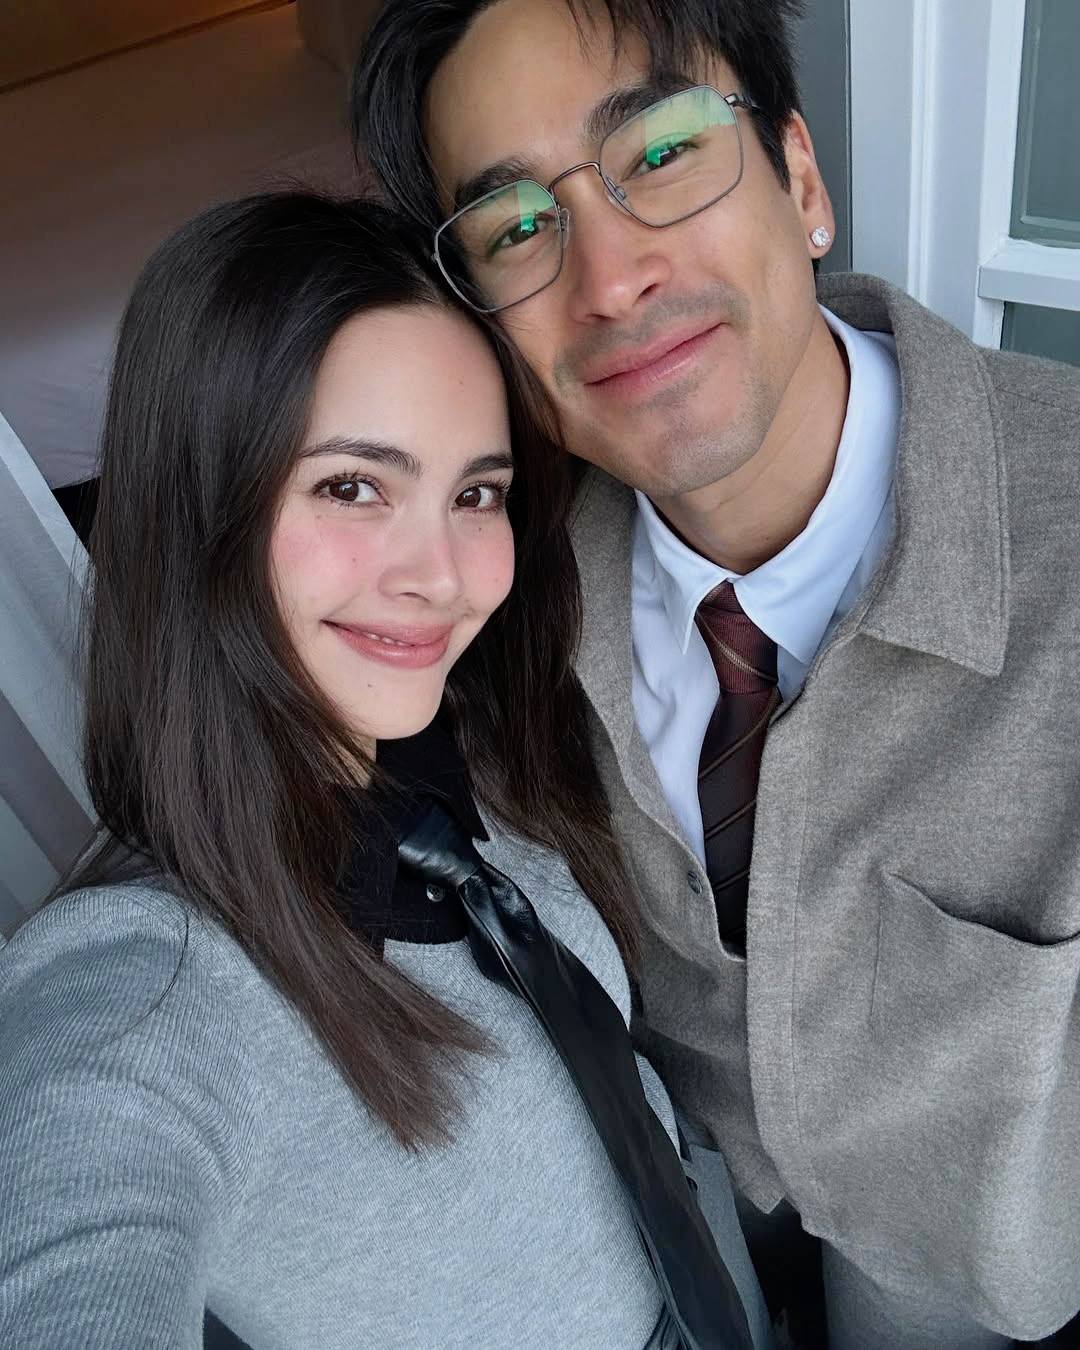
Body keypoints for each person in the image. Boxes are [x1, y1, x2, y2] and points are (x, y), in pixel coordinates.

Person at [352, 2, 1080, 1347]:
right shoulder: (495, 583)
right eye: (517, 227)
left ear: (802, 180)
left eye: (663, 152)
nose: (610, 277)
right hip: (696, 1242)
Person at [0, 193, 770, 1350]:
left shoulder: (483, 749)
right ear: (198, 507)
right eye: (352, 486)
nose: (442, 577)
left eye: (476, 494)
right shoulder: (137, 990)